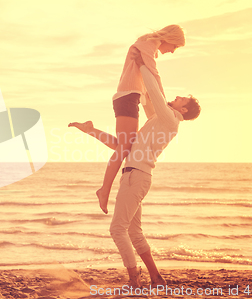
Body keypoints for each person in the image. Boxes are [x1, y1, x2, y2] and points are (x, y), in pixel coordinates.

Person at [69, 54, 201, 288]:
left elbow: (154, 93)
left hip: (136, 177)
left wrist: (142, 65)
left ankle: (134, 280)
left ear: (184, 108)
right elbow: (123, 143)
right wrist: (90, 130)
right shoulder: (158, 120)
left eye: (182, 98)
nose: (177, 96)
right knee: (133, 232)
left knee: (117, 230)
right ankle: (155, 276)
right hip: (133, 176)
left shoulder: (170, 120)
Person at [70, 25, 186, 215]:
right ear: (171, 38)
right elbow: (154, 76)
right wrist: (163, 104)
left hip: (129, 97)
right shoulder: (148, 45)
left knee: (127, 147)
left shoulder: (149, 47)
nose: (173, 51)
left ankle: (90, 129)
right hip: (128, 97)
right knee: (125, 148)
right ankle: (104, 189)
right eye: (176, 47)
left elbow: (149, 79)